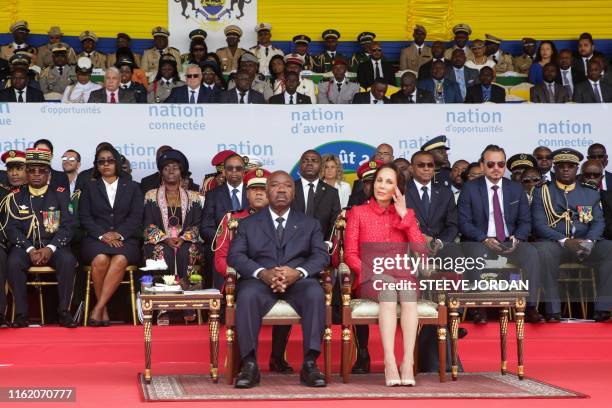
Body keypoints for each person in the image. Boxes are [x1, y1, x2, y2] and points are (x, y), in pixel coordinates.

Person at [229, 171, 329, 388]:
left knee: (315, 293)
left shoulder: (310, 223)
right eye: (275, 185)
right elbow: (235, 256)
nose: (281, 190)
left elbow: (321, 256)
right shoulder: (248, 224)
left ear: (294, 192)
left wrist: (299, 272)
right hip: (260, 281)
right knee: (246, 295)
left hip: (298, 281)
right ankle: (250, 364)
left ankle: (310, 363)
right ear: (267, 191)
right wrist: (262, 273)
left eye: (287, 186)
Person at [345, 163, 426, 386]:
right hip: (372, 277)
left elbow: (421, 250)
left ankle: (407, 361)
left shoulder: (406, 214)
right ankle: (389, 361)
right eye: (380, 180)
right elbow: (350, 254)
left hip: (403, 275)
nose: (382, 186)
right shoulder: (358, 213)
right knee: (389, 293)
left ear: (397, 188)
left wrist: (405, 217)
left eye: (389, 182)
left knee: (408, 295)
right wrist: (371, 274)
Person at [457, 145, 545, 324]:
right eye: (490, 164)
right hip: (480, 241)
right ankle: (478, 308)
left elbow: (525, 221)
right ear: (482, 166)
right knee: (473, 254)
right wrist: (483, 238)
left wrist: (517, 237)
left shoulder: (515, 188)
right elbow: (464, 223)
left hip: (509, 241)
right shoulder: (470, 188)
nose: (496, 168)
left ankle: (529, 307)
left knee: (532, 254)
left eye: (500, 164)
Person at [532, 149, 612, 322]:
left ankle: (603, 308)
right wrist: (566, 241)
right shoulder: (543, 191)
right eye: (561, 166)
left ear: (577, 169)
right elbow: (539, 224)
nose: (566, 170)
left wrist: (590, 241)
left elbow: (598, 221)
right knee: (543, 251)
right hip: (556, 244)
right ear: (555, 168)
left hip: (586, 243)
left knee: (609, 249)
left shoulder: (590, 191)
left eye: (570, 166)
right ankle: (553, 311)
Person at [5, 148, 77, 328]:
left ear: (48, 174)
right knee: (13, 262)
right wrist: (29, 249)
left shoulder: (60, 194)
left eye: (42, 171)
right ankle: (21, 314)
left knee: (68, 260)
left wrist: (50, 248)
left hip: (54, 246)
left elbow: (68, 226)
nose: (37, 175)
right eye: (32, 170)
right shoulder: (15, 197)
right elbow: (12, 228)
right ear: (27, 173)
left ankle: (64, 312)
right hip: (25, 246)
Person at [78, 146, 144, 326]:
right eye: (101, 161)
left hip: (126, 239)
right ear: (97, 166)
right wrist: (102, 235)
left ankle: (98, 308)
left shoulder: (132, 187)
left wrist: (119, 234)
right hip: (96, 239)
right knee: (100, 259)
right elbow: (85, 217)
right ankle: (103, 309)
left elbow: (136, 216)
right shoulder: (89, 187)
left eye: (110, 160)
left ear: (116, 162)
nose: (106, 164)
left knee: (121, 259)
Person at [143, 149, 202, 322]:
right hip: (160, 241)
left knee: (188, 251)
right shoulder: (150, 195)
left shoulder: (194, 197)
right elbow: (147, 225)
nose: (170, 171)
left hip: (186, 240)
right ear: (161, 171)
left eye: (175, 167)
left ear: (181, 171)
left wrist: (183, 238)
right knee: (162, 252)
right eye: (167, 167)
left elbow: (197, 223)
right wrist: (164, 238)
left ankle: (190, 304)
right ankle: (163, 307)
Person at [201, 153, 249, 287]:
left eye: (238, 168)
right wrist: (224, 240)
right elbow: (205, 228)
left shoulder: (252, 193)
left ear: (244, 171)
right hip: (221, 247)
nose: (234, 171)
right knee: (214, 253)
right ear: (224, 171)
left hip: (249, 246)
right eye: (230, 168)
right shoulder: (213, 195)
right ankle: (221, 302)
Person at [292, 150, 341, 240]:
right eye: (305, 161)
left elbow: (334, 224)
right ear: (300, 166)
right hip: (292, 247)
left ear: (321, 166)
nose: (310, 163)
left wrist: (327, 244)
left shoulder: (332, 193)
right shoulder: (290, 189)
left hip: (321, 247)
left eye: (314, 161)